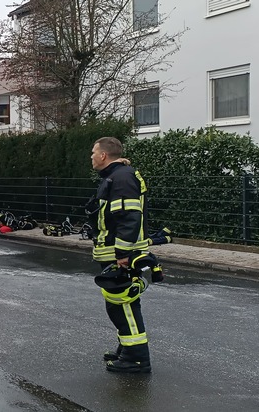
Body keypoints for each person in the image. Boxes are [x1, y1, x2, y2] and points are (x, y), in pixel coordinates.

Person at [86, 137, 155, 373]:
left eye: (94, 152)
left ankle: (136, 357)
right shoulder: (119, 175)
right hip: (115, 252)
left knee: (123, 305)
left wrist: (123, 253)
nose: (91, 156)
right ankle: (126, 348)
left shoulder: (122, 178)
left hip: (122, 253)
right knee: (119, 304)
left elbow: (128, 217)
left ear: (104, 155)